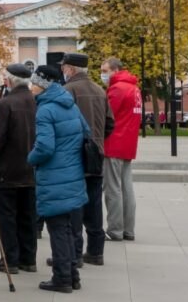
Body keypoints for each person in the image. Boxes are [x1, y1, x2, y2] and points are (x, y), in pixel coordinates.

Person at [27, 65, 88, 294]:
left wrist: (30, 158)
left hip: (54, 176)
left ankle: (62, 278)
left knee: (58, 229)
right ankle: (72, 275)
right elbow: (86, 132)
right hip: (72, 173)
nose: (30, 87)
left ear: (42, 85)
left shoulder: (45, 109)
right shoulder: (68, 103)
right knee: (69, 227)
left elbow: (44, 147)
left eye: (33, 83)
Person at [60, 52, 115, 267]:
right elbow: (110, 123)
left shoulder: (68, 91)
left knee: (73, 205)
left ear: (71, 69)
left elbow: (63, 124)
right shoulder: (99, 90)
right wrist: (97, 142)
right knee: (93, 204)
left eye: (64, 67)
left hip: (73, 156)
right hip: (96, 154)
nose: (62, 71)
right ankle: (95, 251)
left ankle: (73, 253)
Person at [0, 63, 37, 275]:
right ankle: (29, 258)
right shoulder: (36, 101)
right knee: (28, 215)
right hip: (32, 169)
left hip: (8, 170)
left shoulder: (4, 104)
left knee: (7, 216)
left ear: (9, 81)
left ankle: (10, 259)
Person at [101, 57, 142, 242]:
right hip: (128, 143)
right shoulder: (134, 88)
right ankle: (128, 229)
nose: (103, 74)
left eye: (105, 70)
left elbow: (106, 116)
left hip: (114, 143)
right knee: (126, 188)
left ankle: (115, 230)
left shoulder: (117, 89)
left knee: (112, 189)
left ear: (115, 70)